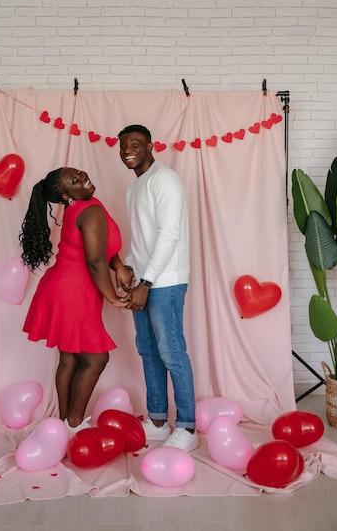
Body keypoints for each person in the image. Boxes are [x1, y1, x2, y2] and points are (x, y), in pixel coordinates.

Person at [19, 167, 131, 435]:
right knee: (95, 360)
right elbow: (94, 262)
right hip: (73, 291)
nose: (82, 177)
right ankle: (74, 424)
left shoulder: (87, 203)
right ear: (66, 194)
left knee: (70, 359)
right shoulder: (89, 210)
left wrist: (119, 267)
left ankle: (65, 423)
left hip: (65, 286)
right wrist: (114, 298)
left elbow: (102, 248)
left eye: (79, 173)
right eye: (74, 180)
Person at [118, 124, 198, 453]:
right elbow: (142, 241)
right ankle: (157, 421)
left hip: (166, 282)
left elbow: (169, 234)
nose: (128, 150)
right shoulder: (134, 187)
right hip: (146, 279)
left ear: (151, 146)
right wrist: (129, 269)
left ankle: (188, 427)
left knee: (171, 352)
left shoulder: (164, 179)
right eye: (123, 145)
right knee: (148, 351)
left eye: (135, 144)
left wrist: (147, 282)